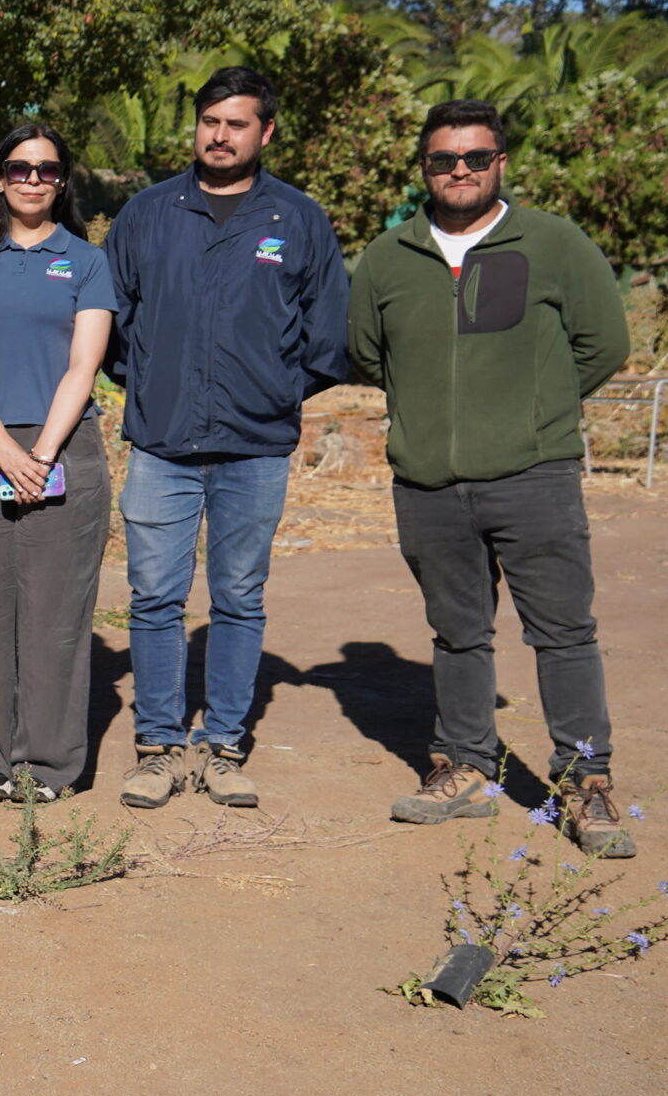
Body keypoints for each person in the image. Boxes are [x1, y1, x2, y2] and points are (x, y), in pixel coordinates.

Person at [350, 100, 636, 858]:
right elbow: (370, 354)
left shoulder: (551, 242)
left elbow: (603, 342)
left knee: (564, 630)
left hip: (533, 476)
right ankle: (465, 766)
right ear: (424, 169)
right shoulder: (387, 257)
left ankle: (585, 779)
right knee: (457, 631)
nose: (461, 171)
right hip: (428, 485)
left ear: (501, 161)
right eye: (444, 159)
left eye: (476, 156)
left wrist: (532, 414)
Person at [102, 66, 348, 810]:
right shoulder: (148, 214)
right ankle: (159, 746)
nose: (220, 134)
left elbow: (327, 335)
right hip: (161, 444)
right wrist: (149, 386)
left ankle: (224, 746)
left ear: (265, 132)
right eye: (210, 120)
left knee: (239, 596)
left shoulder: (298, 220)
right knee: (154, 598)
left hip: (256, 448)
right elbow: (107, 325)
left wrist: (271, 394)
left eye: (236, 123)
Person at [0, 126, 117, 802]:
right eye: (19, 168)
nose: (33, 179)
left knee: (55, 612)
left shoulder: (87, 261)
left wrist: (40, 452)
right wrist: (8, 452)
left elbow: (83, 364)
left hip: (63, 446)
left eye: (46, 169)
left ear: (63, 179)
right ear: (1, 178)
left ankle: (47, 764)